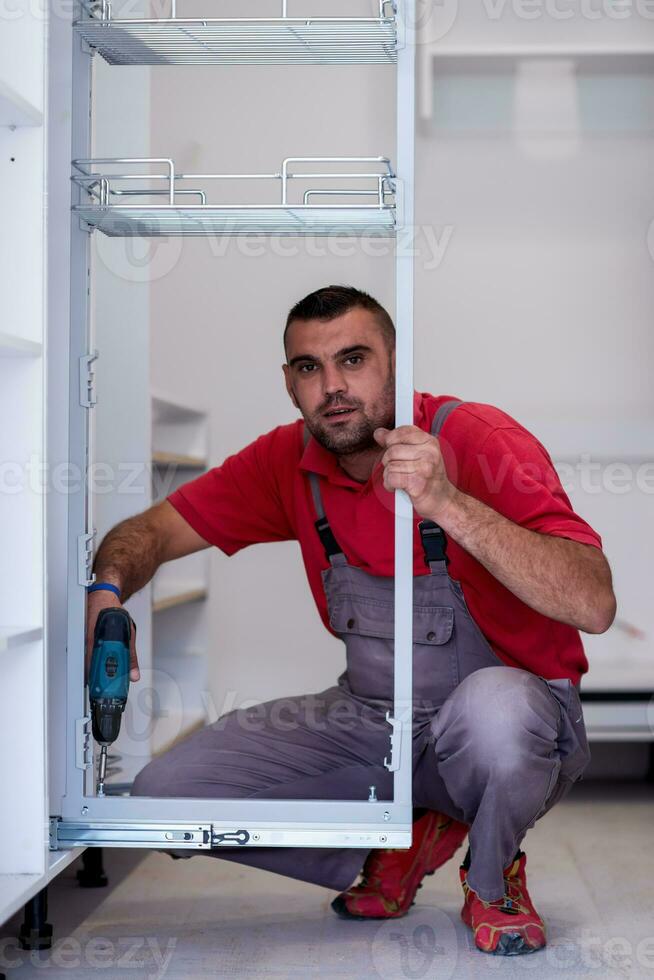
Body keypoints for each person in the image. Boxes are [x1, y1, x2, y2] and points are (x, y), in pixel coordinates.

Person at [86, 285, 616, 956]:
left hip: (508, 720)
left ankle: (493, 876)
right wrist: (106, 591)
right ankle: (391, 850)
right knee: (167, 795)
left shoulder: (476, 439)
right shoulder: (289, 463)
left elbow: (593, 603)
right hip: (375, 719)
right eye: (310, 368)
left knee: (498, 713)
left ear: (397, 361)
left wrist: (447, 502)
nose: (332, 387)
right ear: (289, 382)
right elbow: (152, 531)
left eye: (355, 360)